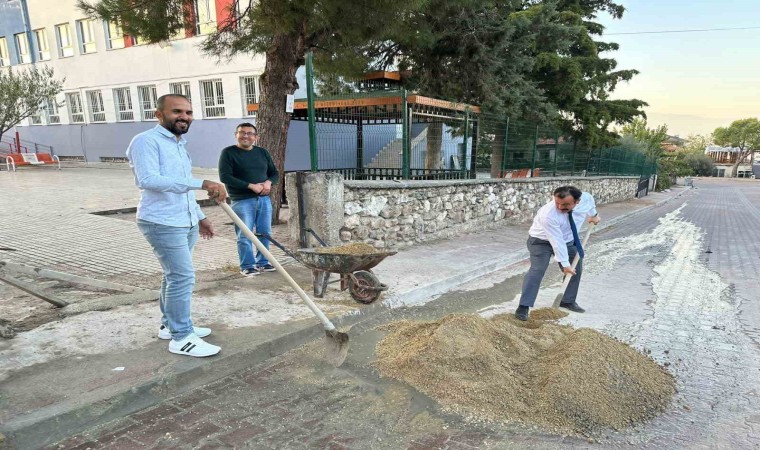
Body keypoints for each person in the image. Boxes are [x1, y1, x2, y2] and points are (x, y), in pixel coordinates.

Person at [127, 93, 227, 358]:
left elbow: (180, 187)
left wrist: (200, 217)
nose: (184, 117)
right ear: (159, 115)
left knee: (173, 276)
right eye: (177, 112)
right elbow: (148, 179)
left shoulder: (179, 144)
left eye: (188, 112)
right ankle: (182, 338)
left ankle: (169, 326)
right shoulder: (145, 142)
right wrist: (202, 183)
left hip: (184, 219)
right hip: (161, 221)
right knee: (182, 276)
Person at [515, 186, 601, 321]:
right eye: (557, 203)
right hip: (541, 241)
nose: (560, 207)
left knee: (575, 269)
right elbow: (556, 241)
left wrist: (594, 216)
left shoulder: (586, 198)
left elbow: (590, 206)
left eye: (566, 204)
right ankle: (523, 306)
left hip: (568, 240)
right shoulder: (548, 214)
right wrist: (564, 264)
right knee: (537, 270)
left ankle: (567, 300)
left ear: (577, 201)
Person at [218, 123, 280, 277]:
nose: (246, 136)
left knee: (265, 232)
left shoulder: (262, 152)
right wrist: (249, 186)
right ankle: (247, 265)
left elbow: (274, 173)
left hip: (264, 200)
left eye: (249, 133)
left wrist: (268, 182)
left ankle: (263, 263)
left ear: (255, 137)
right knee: (245, 234)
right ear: (236, 135)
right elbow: (225, 177)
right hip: (242, 200)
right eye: (242, 133)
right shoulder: (228, 153)